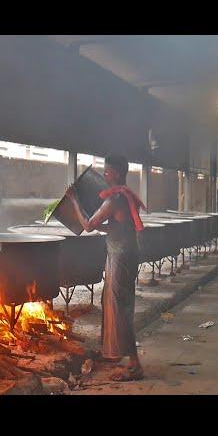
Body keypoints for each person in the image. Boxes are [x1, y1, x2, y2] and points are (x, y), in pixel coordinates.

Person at [65, 155, 145, 381]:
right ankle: (113, 353)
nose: (105, 175)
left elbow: (89, 226)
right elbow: (117, 227)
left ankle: (135, 364)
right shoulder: (123, 195)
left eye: (107, 172)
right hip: (123, 253)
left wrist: (74, 200)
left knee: (120, 309)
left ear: (117, 173)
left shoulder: (114, 200)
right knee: (111, 303)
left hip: (121, 257)